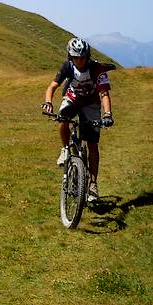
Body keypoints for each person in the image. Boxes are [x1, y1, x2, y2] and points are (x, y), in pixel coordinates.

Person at [42, 37, 114, 202]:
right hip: (73, 98)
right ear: (70, 57)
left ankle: (93, 185)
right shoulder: (67, 66)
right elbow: (53, 86)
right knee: (63, 117)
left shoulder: (97, 68)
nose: (80, 61)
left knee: (92, 144)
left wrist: (108, 114)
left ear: (88, 56)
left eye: (83, 57)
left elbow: (104, 93)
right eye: (76, 57)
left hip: (91, 103)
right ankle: (65, 148)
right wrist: (48, 102)